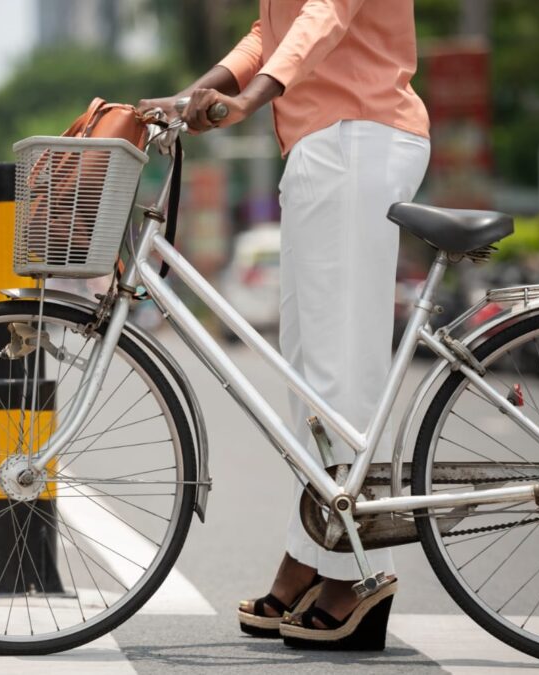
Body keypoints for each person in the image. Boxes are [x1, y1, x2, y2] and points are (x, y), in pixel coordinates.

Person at [140, 0, 430, 651]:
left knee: (336, 371)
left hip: (359, 134)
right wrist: (206, 90)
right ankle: (311, 555)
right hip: (323, 144)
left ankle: (356, 571)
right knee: (306, 375)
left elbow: (325, 13)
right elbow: (266, 32)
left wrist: (255, 96)